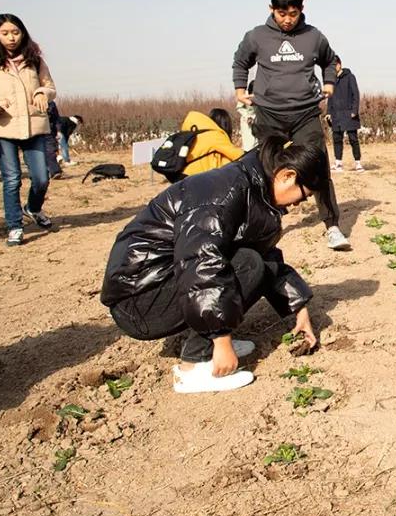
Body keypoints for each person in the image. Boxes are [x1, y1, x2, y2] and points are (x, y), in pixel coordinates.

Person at [100, 135, 324, 393]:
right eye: (302, 196)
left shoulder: (254, 188)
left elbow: (267, 258)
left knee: (253, 260)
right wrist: (221, 339)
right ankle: (194, 365)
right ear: (287, 176)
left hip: (161, 282)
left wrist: (299, 308)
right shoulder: (226, 191)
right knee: (248, 263)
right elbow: (200, 263)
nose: (298, 204)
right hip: (138, 299)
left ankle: (210, 338)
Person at [232, 0, 350, 251]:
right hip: (269, 113)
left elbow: (329, 61)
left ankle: (332, 226)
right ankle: (268, 223)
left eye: (293, 14)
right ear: (271, 9)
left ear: (301, 10)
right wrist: (240, 90)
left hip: (305, 113)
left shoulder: (314, 36)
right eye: (281, 13)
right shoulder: (257, 36)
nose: (287, 20)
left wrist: (329, 83)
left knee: (318, 166)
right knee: (267, 169)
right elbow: (240, 61)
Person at [0, 14, 56, 247]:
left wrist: (41, 93)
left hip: (33, 125)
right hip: (3, 125)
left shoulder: (34, 59)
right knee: (12, 179)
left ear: (23, 33)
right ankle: (15, 226)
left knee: (41, 178)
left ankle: (33, 208)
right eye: (5, 33)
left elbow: (49, 87)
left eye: (15, 32)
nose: (11, 38)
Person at [180, 108, 244, 177]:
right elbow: (238, 155)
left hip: (186, 175)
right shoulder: (215, 135)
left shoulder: (198, 135)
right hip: (199, 178)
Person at [327, 55, 364, 172]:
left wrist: (354, 111)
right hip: (336, 114)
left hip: (349, 113)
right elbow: (330, 97)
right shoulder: (332, 80)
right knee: (337, 138)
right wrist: (328, 112)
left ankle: (358, 163)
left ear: (339, 64)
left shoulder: (349, 77)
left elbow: (356, 95)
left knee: (353, 139)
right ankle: (338, 163)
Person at [237, 80, 258, 151]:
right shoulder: (245, 96)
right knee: (249, 142)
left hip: (258, 119)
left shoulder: (260, 96)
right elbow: (239, 108)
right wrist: (247, 116)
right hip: (247, 121)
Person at [45, 100, 63, 179]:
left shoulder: (51, 103)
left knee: (51, 151)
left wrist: (58, 131)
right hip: (33, 132)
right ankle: (42, 173)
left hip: (49, 130)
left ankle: (55, 171)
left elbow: (56, 118)